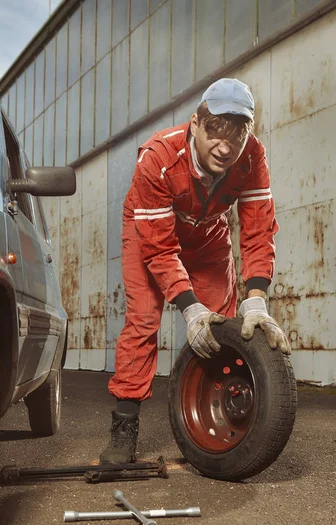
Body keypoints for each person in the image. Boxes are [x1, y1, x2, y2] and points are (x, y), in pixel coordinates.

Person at [100, 78, 291, 464]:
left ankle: (212, 409)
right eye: (215, 133)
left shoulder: (252, 156)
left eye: (235, 137)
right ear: (194, 123)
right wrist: (189, 307)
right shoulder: (157, 157)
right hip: (149, 231)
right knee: (143, 320)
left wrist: (257, 300)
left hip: (207, 230)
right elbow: (159, 246)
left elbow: (257, 229)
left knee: (221, 322)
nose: (225, 147)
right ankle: (124, 426)